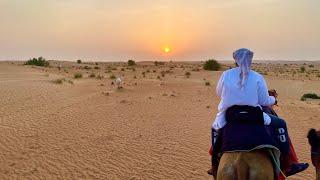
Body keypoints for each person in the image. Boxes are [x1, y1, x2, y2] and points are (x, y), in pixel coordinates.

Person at [209, 48, 308, 177]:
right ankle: (288, 163)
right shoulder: (257, 76)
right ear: (250, 60)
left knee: (215, 129)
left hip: (231, 115)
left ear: (235, 60)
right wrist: (274, 99)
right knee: (281, 124)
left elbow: (218, 92)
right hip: (254, 115)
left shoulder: (226, 75)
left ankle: (214, 164)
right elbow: (264, 100)